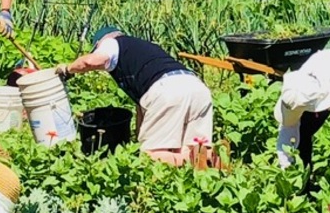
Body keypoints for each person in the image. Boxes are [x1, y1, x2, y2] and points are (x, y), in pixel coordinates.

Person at [56, 27, 214, 166]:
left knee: (150, 157)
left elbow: (90, 61)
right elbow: (142, 109)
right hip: (197, 88)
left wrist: (68, 69)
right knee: (193, 148)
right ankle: (210, 161)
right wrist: (140, 140)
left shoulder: (111, 43)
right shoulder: (143, 51)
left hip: (168, 90)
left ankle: (192, 161)